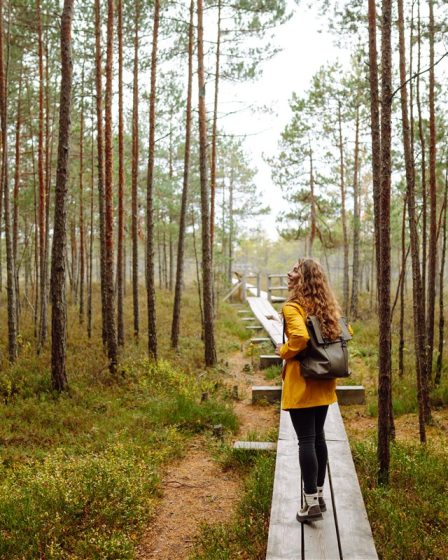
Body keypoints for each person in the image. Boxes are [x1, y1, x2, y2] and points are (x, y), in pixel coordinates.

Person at [274, 257, 350, 523]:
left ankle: (309, 505)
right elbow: (345, 331)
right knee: (318, 438)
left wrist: (283, 351)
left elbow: (300, 338)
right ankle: (319, 497)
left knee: (306, 441)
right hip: (325, 381)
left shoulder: (293, 307)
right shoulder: (326, 306)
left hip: (304, 381)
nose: (289, 272)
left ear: (303, 278)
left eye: (294, 270)